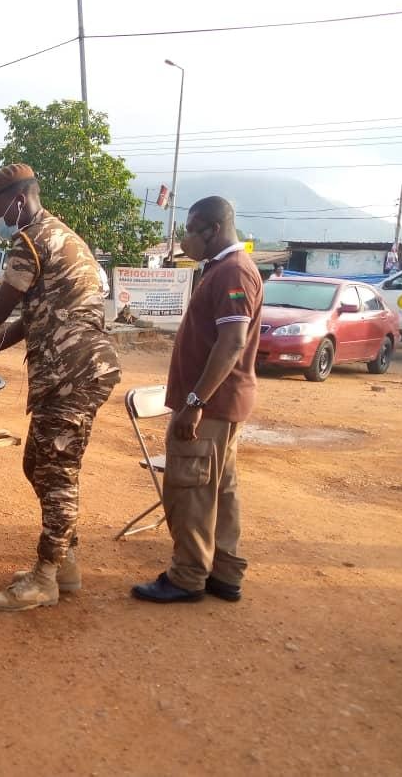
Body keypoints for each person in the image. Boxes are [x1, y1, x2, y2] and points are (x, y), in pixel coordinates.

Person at [0, 164, 122, 612]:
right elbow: (28, 320)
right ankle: (65, 563)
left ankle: (45, 577)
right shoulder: (62, 236)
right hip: (79, 370)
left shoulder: (31, 241)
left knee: (56, 472)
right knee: (36, 463)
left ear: (19, 201)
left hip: (72, 374)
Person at [131, 196, 263, 604]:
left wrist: (193, 402)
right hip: (222, 406)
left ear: (213, 229)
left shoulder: (233, 273)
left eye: (190, 229)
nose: (185, 238)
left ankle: (187, 576)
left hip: (210, 407)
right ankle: (224, 573)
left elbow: (232, 342)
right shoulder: (222, 270)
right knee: (220, 489)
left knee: (190, 490)